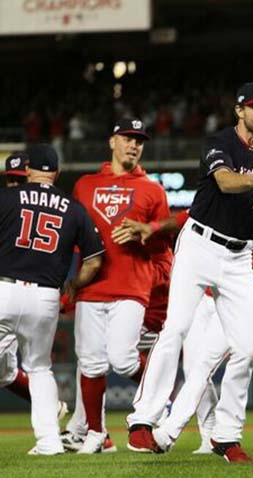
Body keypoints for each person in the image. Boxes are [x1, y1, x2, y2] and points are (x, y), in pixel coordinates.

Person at [125, 82, 253, 463]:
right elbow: (224, 181)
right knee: (175, 329)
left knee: (248, 348)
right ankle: (142, 421)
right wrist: (251, 178)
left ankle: (226, 435)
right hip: (200, 245)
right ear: (240, 111)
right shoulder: (219, 143)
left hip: (239, 258)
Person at [113, 208, 253, 454]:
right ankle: (209, 436)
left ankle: (167, 434)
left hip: (239, 304)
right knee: (193, 368)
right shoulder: (222, 209)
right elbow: (185, 218)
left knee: (204, 365)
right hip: (205, 296)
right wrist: (152, 228)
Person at [70, 118, 171, 454]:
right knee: (91, 362)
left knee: (124, 359)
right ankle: (97, 434)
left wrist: (146, 231)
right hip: (92, 286)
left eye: (139, 140)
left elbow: (162, 246)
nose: (134, 145)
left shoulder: (153, 190)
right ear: (112, 141)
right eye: (127, 138)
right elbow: (74, 240)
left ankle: (157, 401)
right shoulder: (85, 185)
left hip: (131, 285)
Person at [0, 144, 104, 455]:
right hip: (46, 296)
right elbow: (95, 259)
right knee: (39, 368)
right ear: (56, 173)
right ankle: (48, 442)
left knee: (25, 369)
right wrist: (74, 284)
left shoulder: (7, 198)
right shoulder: (73, 208)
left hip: (5, 288)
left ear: (28, 169)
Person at [0, 151, 68, 424]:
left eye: (20, 180)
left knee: (37, 367)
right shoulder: (7, 208)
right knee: (6, 373)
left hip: (18, 293)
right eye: (12, 181)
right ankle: (53, 410)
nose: (17, 186)